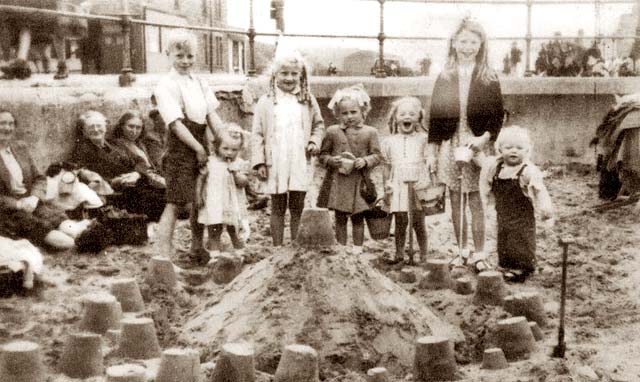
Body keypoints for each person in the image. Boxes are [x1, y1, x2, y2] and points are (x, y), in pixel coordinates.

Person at [427, 17, 504, 270]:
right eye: (463, 41)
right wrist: (433, 149)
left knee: (476, 200)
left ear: (481, 45)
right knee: (456, 199)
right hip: (451, 142)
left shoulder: (488, 77)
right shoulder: (444, 76)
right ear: (454, 43)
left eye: (473, 42)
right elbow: (436, 116)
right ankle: (462, 250)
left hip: (476, 142)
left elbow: (497, 115)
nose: (467, 47)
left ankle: (480, 252)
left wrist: (484, 139)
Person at [153, 30, 226, 264]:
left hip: (200, 140)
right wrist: (197, 148)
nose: (185, 61)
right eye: (180, 56)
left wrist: (224, 138)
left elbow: (211, 113)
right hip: (181, 145)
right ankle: (161, 256)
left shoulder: (199, 82)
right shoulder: (166, 84)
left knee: (199, 199)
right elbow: (175, 123)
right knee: (176, 201)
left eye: (190, 56)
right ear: (169, 55)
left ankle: (196, 247)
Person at [251, 43, 324, 246]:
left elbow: (319, 125)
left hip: (299, 159)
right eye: (284, 73)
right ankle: (277, 247)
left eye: (294, 74)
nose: (290, 78)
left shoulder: (307, 100)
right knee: (277, 205)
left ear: (301, 76)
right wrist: (259, 163)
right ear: (275, 75)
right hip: (276, 161)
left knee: (297, 204)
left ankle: (295, 245)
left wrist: (313, 141)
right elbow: (257, 135)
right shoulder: (265, 102)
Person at [479, 126, 553, 282]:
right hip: (503, 214)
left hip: (522, 216)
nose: (514, 151)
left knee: (521, 240)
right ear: (500, 149)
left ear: (527, 151)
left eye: (519, 148)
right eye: (509, 147)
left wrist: (546, 208)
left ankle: (522, 268)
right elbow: (485, 179)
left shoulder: (527, 171)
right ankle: (505, 265)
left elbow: (539, 190)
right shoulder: (496, 168)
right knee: (504, 239)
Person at [0, 109, 80, 249]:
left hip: (32, 202)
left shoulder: (20, 147)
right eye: (2, 123)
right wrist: (18, 205)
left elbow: (40, 178)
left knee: (70, 229)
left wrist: (34, 198)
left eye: (10, 124)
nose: (7, 128)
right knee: (65, 242)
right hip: (8, 212)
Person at [318, 85, 381, 254]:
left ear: (363, 111)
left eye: (353, 112)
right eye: (344, 113)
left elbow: (377, 156)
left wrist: (365, 161)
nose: (349, 117)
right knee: (339, 217)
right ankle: (341, 249)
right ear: (338, 114)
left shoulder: (370, 132)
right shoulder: (332, 132)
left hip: (360, 182)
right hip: (339, 182)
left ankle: (358, 249)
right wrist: (332, 160)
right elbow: (322, 156)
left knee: (358, 217)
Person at [69, 110, 165, 222]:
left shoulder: (114, 144)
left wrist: (136, 173)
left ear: (105, 127)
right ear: (84, 131)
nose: (96, 129)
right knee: (162, 203)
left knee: (166, 195)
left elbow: (139, 161)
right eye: (91, 127)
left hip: (134, 185)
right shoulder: (82, 150)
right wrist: (114, 181)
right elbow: (84, 176)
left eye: (99, 126)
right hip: (116, 194)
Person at [381, 97, 429, 263]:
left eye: (411, 113)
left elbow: (427, 162)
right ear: (395, 118)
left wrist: (424, 180)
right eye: (402, 114)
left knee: (418, 221)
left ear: (418, 118)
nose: (406, 117)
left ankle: (424, 254)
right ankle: (400, 253)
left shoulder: (423, 139)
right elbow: (386, 166)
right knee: (400, 220)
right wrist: (386, 185)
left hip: (417, 182)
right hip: (398, 183)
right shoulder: (389, 141)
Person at [197, 124, 249, 261]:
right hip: (214, 201)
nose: (229, 153)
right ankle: (214, 256)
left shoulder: (239, 163)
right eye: (225, 148)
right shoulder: (211, 162)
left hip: (233, 203)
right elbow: (201, 179)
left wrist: (236, 174)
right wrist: (198, 196)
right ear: (217, 147)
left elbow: (244, 182)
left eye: (234, 150)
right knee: (214, 229)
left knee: (234, 229)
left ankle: (240, 252)